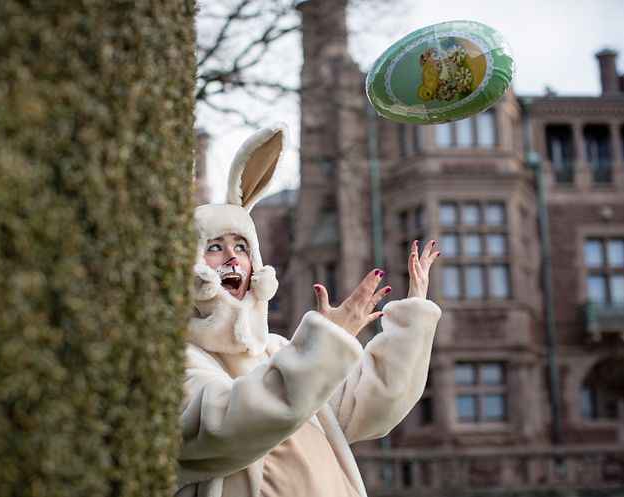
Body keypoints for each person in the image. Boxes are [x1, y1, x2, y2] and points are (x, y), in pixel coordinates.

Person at [175, 123, 441, 497]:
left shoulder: (278, 351)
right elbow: (224, 428)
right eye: (215, 247)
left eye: (242, 247)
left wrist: (413, 316)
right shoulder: (181, 361)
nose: (233, 259)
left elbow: (372, 405)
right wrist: (326, 345)